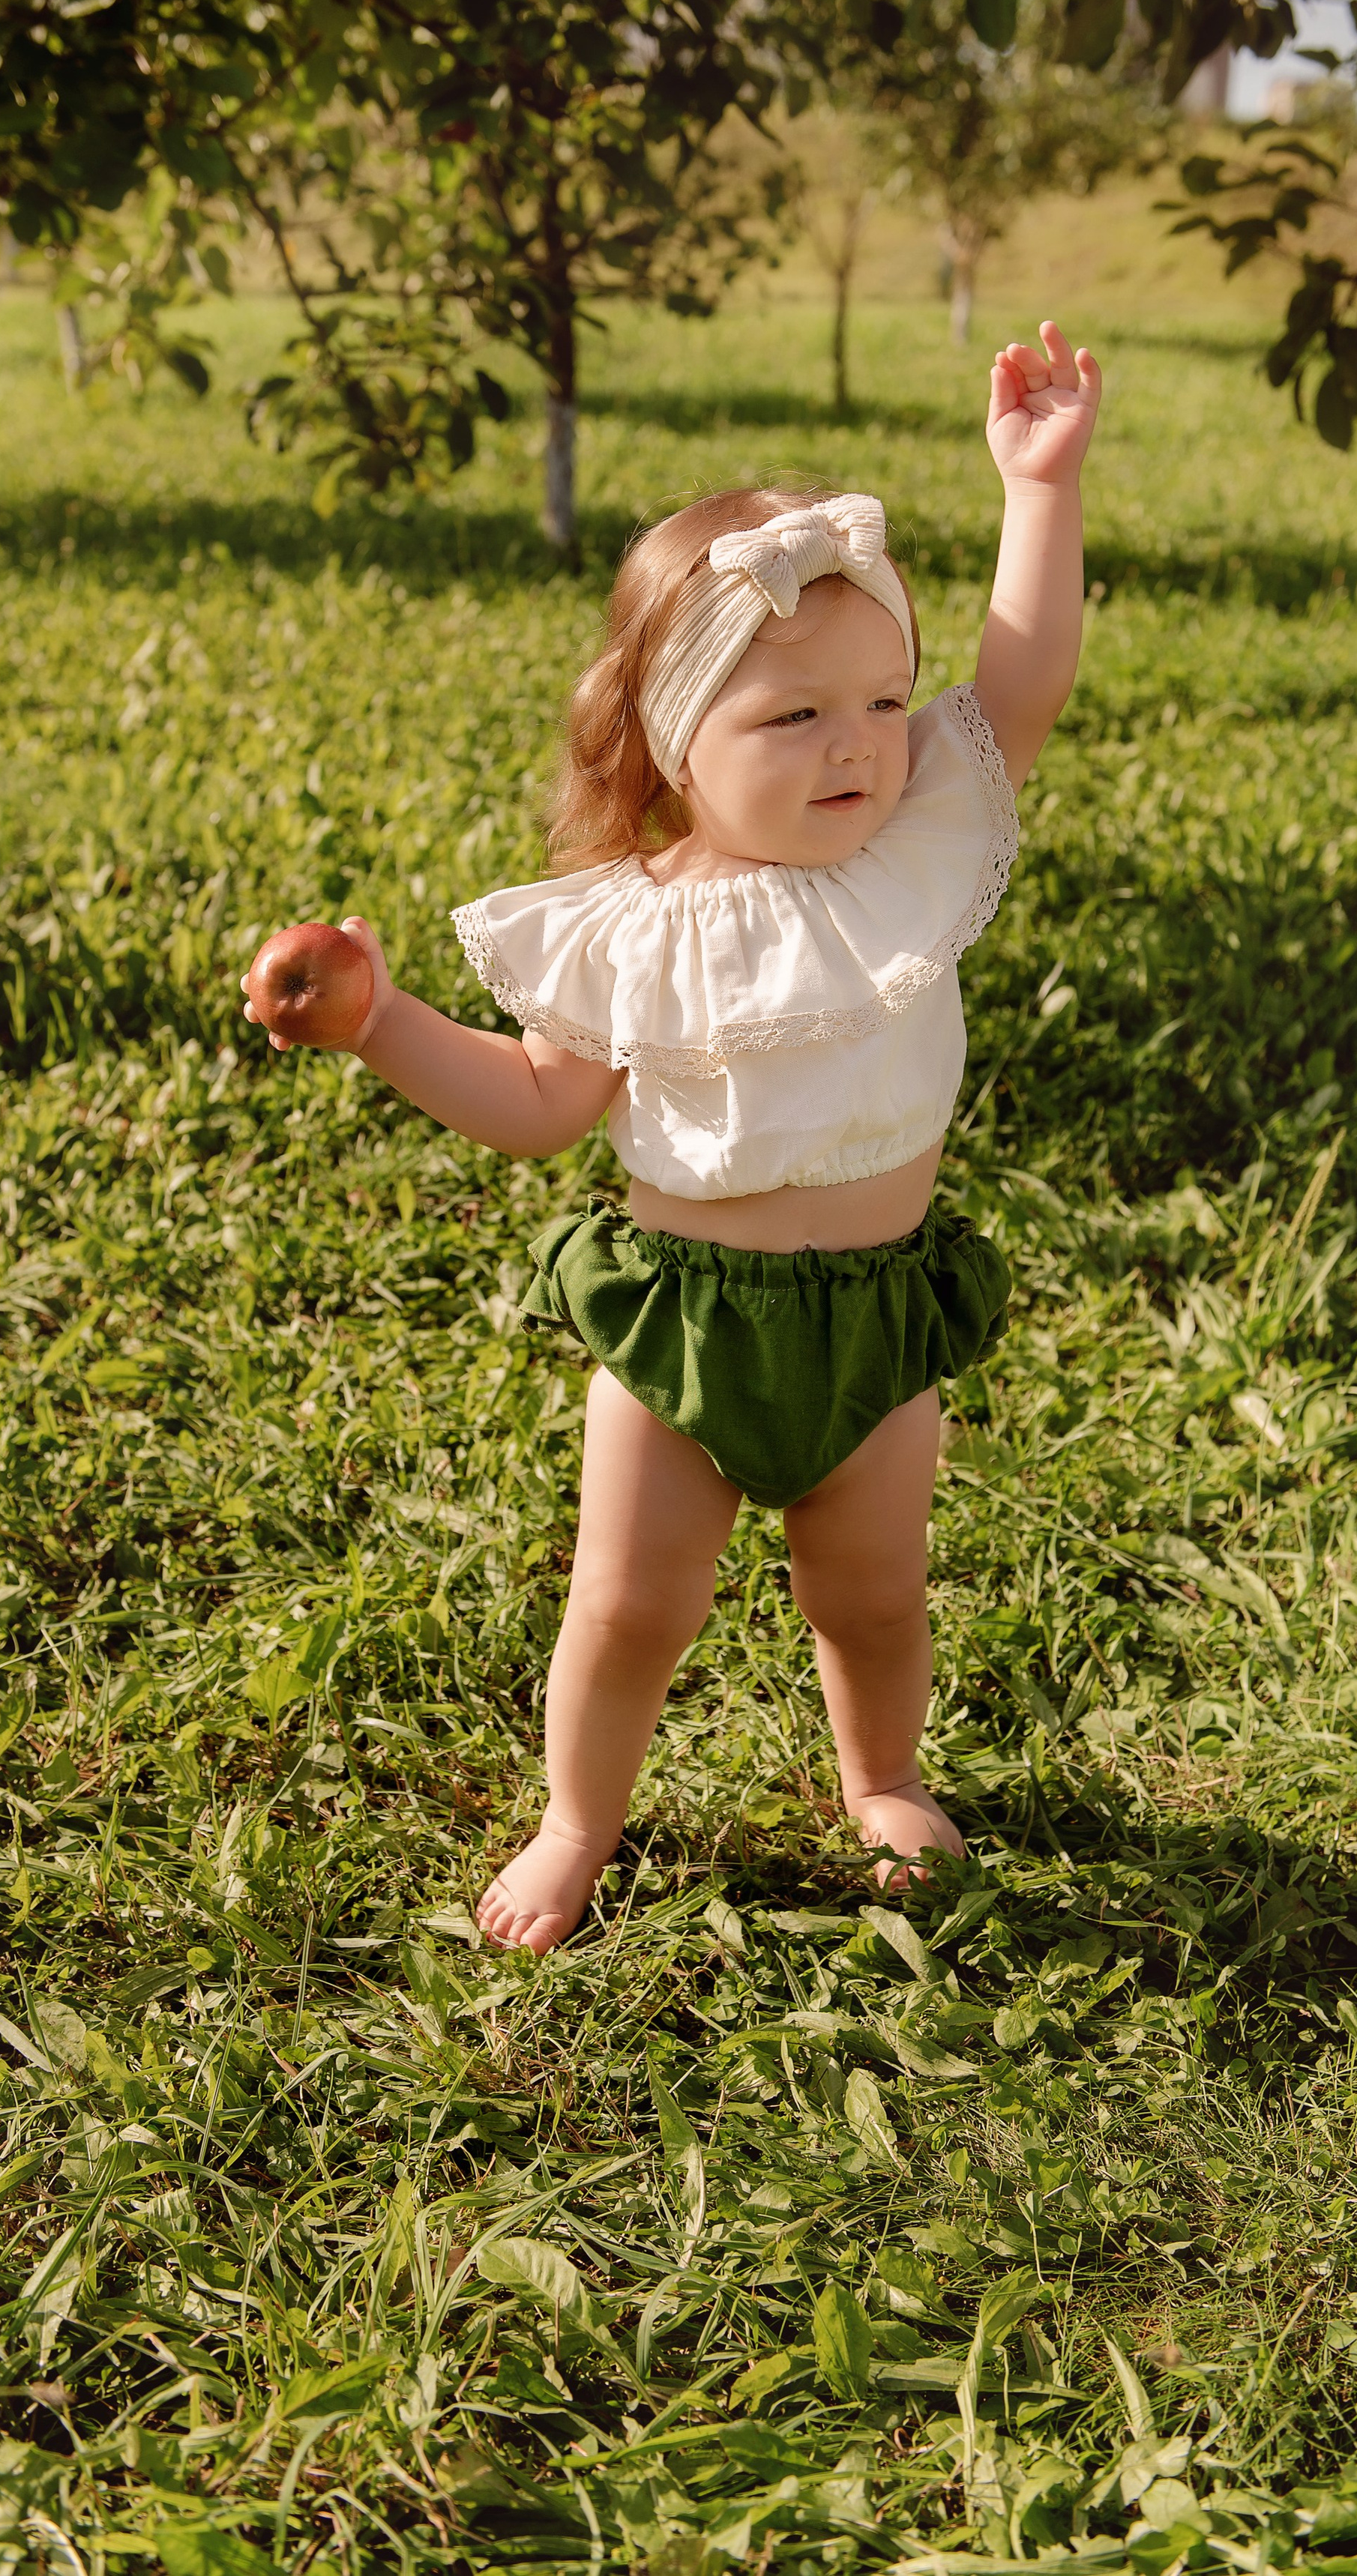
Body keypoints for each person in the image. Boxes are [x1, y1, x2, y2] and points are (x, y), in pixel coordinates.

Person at [243, 326, 1101, 1952]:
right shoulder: (627, 930)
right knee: (628, 1605)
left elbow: (1022, 675)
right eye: (790, 716)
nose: (855, 741)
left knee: (870, 1595)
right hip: (686, 1321)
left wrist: (1034, 490)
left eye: (874, 696)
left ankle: (882, 1778)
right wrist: (377, 1023)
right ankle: (577, 1820)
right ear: (669, 736)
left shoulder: (911, 848)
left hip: (873, 1314)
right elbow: (537, 1101)